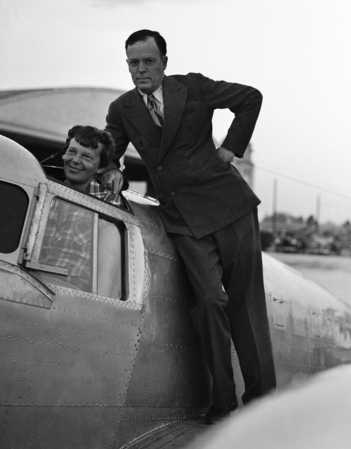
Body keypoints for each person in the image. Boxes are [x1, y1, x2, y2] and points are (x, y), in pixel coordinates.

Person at [104, 29, 276, 423]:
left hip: (228, 206)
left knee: (246, 307)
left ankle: (262, 404)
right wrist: (111, 169)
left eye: (149, 61)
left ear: (164, 61)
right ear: (127, 64)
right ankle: (222, 401)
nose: (141, 69)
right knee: (211, 302)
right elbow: (109, 148)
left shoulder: (193, 88)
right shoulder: (122, 108)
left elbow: (250, 98)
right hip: (181, 218)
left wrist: (230, 148)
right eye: (134, 62)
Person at [40, 125, 124, 291]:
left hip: (75, 295)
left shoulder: (108, 202)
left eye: (86, 156)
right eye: (71, 152)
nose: (75, 160)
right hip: (35, 285)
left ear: (100, 167)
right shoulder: (44, 191)